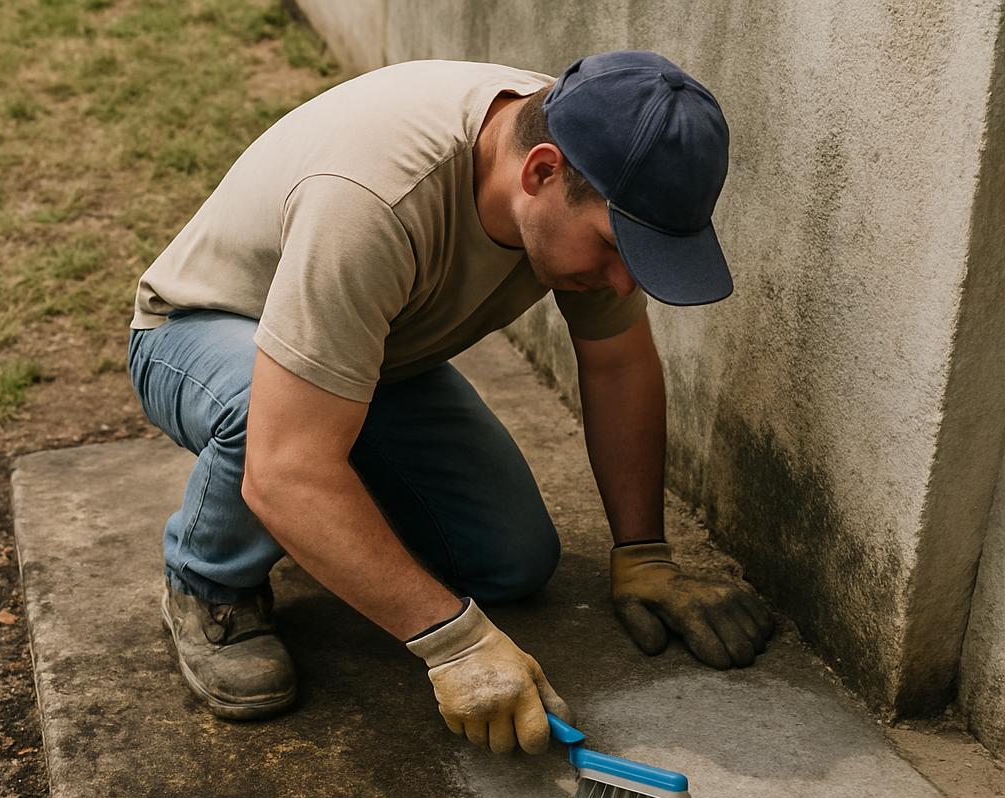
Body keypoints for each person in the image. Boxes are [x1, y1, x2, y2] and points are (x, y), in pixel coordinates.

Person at [127, 50, 774, 753]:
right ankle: (206, 586)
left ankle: (329, 510)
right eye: (617, 249)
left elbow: (618, 365)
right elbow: (283, 465)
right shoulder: (373, 197)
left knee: (513, 563)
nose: (625, 283)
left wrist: (644, 554)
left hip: (369, 362)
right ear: (541, 173)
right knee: (275, 437)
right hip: (199, 332)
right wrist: (453, 642)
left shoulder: (588, 154)